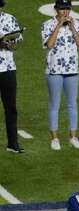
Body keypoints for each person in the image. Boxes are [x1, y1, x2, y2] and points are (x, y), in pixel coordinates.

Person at [42, 0, 79, 151]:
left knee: (72, 104)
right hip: (54, 70)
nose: (65, 11)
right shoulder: (47, 24)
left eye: (67, 8)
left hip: (72, 70)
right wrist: (59, 25)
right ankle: (54, 138)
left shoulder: (77, 24)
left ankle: (73, 137)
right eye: (62, 8)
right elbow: (49, 45)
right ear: (56, 10)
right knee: (54, 104)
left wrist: (73, 27)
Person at [0, 0, 24, 153]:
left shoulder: (10, 19)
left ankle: (13, 144)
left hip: (8, 69)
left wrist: (8, 43)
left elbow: (15, 43)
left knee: (11, 108)